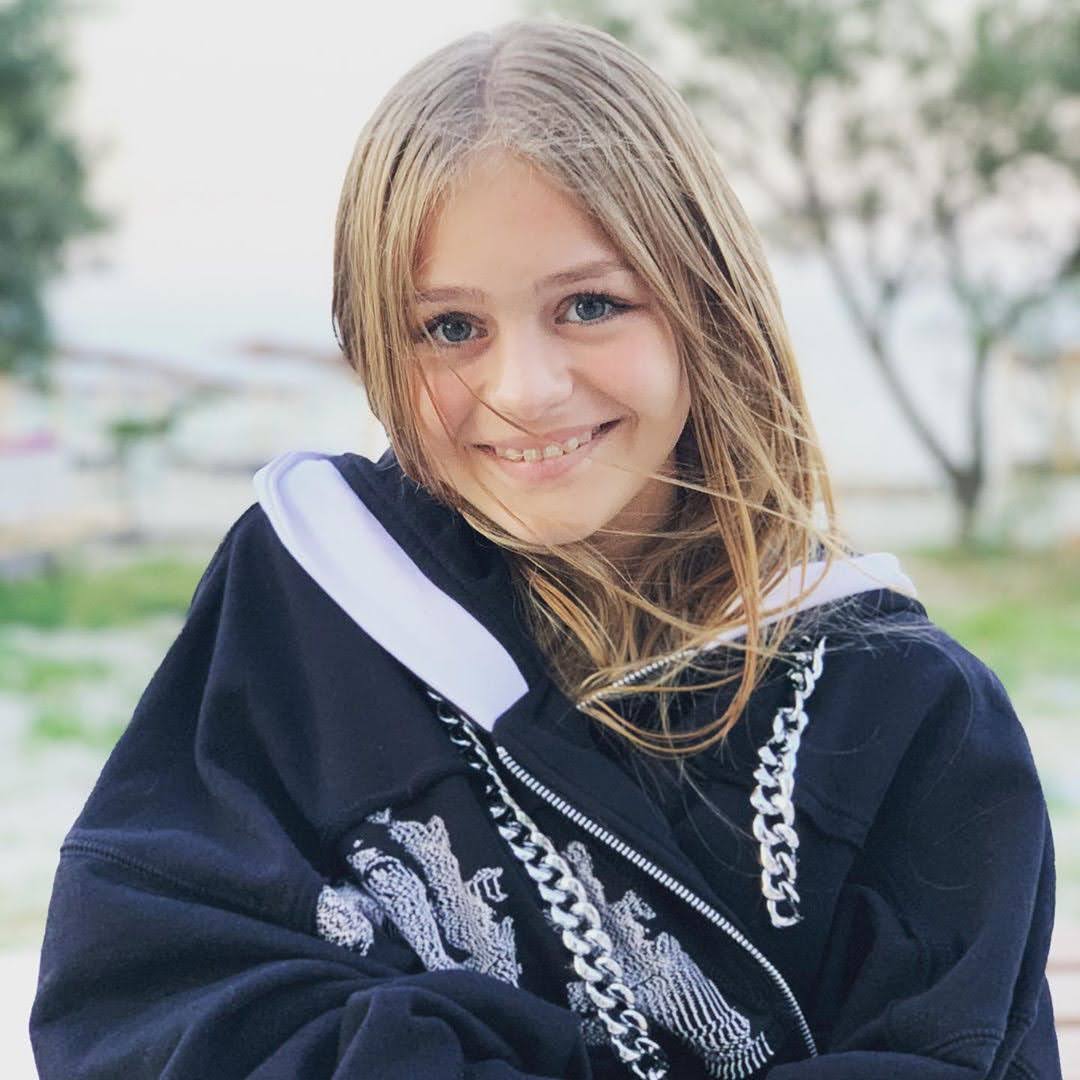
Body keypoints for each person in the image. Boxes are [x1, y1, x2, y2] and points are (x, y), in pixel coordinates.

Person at [29, 16, 1060, 1079]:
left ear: (708, 305)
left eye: (590, 305)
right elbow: (140, 993)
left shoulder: (905, 708)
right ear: (376, 341)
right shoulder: (312, 597)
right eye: (450, 328)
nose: (523, 390)